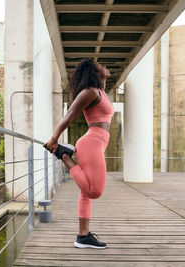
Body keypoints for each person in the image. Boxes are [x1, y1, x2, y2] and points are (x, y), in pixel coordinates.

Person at [43, 58, 114, 249]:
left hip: (98, 144)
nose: (104, 66)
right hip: (91, 143)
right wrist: (54, 139)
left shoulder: (99, 92)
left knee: (86, 192)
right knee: (95, 191)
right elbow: (69, 116)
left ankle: (83, 236)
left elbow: (102, 95)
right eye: (100, 65)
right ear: (93, 71)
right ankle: (65, 156)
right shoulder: (88, 92)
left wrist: (104, 78)